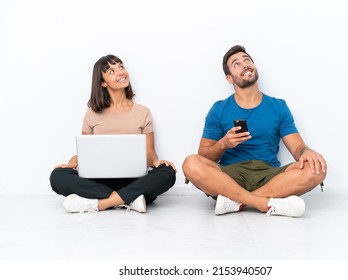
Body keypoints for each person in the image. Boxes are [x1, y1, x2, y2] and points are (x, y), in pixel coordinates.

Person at [182, 45, 326, 217]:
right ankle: (263, 203)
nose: (245, 65)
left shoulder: (278, 106)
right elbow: (203, 157)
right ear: (229, 78)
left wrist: (307, 152)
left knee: (316, 168)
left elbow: (297, 149)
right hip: (230, 176)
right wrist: (223, 144)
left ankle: (236, 201)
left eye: (247, 60)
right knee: (190, 163)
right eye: (236, 64)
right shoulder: (219, 109)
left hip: (269, 175)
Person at [50, 55, 176, 214]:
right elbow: (85, 152)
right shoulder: (92, 113)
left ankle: (100, 203)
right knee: (57, 176)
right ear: (103, 83)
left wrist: (157, 162)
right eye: (111, 71)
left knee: (167, 172)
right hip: (99, 180)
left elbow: (150, 153)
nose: (120, 72)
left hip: (132, 180)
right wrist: (71, 163)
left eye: (121, 67)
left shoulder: (143, 112)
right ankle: (130, 199)